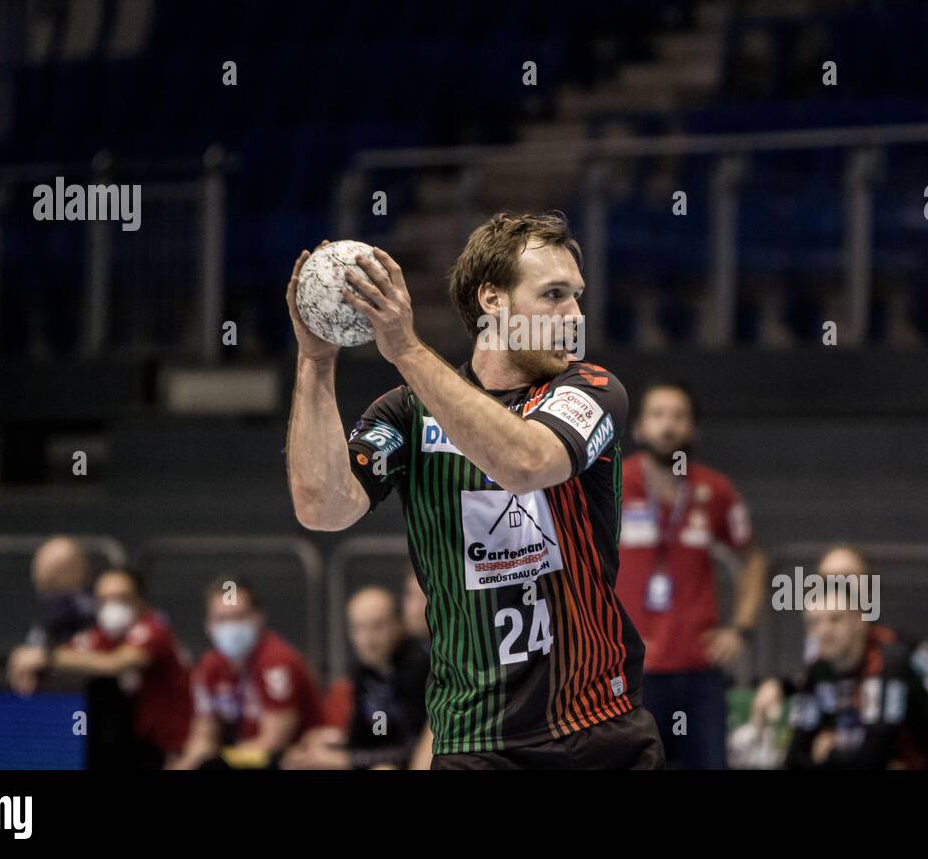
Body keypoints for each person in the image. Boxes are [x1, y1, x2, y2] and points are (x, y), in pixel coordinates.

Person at [285, 212, 663, 769]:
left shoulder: (591, 389)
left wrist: (407, 350)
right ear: (493, 299)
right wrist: (316, 362)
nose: (575, 316)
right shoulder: (405, 414)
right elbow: (322, 506)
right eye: (554, 295)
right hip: (474, 740)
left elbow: (525, 462)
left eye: (577, 297)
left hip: (597, 732)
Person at [614, 380, 766, 769]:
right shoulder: (613, 484)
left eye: (679, 416)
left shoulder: (715, 491)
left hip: (699, 673)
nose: (668, 426)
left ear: (693, 429)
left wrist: (741, 628)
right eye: (658, 415)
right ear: (639, 427)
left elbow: (753, 560)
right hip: (632, 673)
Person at [751, 544, 928, 728]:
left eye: (846, 578)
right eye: (827, 579)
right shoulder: (819, 650)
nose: (837, 586)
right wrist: (779, 686)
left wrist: (925, 688)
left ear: (868, 586)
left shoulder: (899, 644)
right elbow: (806, 681)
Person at [783, 591, 928, 769]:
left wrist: (830, 754)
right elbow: (796, 754)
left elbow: (875, 755)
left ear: (860, 621)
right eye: (814, 623)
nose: (824, 631)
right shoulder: (816, 671)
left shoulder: (887, 664)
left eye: (836, 619)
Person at [46, 568, 193, 768]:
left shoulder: (154, 629)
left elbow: (114, 664)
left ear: (140, 601)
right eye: (104, 600)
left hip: (173, 751)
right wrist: (34, 660)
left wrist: (46, 657)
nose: (112, 607)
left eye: (121, 598)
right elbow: (68, 653)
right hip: (132, 747)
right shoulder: (103, 636)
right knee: (101, 690)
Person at [176, 578, 325, 769]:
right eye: (222, 619)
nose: (230, 626)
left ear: (258, 617)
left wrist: (218, 762)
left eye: (238, 617)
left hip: (292, 760)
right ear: (208, 625)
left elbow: (274, 743)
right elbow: (203, 737)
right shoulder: (208, 667)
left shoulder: (278, 662)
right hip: (239, 756)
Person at [283, 586, 429, 770]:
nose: (367, 639)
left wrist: (342, 760)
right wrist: (331, 744)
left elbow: (416, 750)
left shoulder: (420, 669)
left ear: (399, 625)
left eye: (377, 626)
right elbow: (368, 739)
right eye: (358, 627)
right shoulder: (365, 673)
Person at [7, 536, 96, 694]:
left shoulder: (86, 610)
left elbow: (99, 655)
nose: (41, 572)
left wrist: (46, 658)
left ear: (77, 570)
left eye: (53, 567)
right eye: (39, 564)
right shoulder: (46, 606)